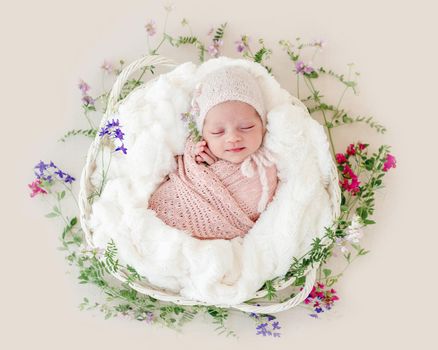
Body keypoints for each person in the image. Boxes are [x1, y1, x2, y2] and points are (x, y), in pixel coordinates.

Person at [148, 65, 278, 240]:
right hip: (175, 205)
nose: (233, 138)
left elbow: (257, 208)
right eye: (218, 132)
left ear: (262, 126)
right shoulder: (199, 149)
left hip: (224, 232)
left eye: (246, 127)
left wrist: (220, 168)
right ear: (204, 134)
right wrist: (201, 163)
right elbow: (185, 168)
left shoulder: (266, 167)